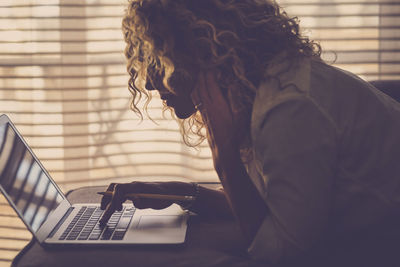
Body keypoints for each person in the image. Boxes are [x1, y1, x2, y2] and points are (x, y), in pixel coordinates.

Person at [99, 0, 400, 264]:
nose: (148, 83)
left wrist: (225, 159)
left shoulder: (289, 107)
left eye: (155, 60)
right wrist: (181, 193)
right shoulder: (259, 89)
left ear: (200, 51)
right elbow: (269, 201)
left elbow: (281, 253)